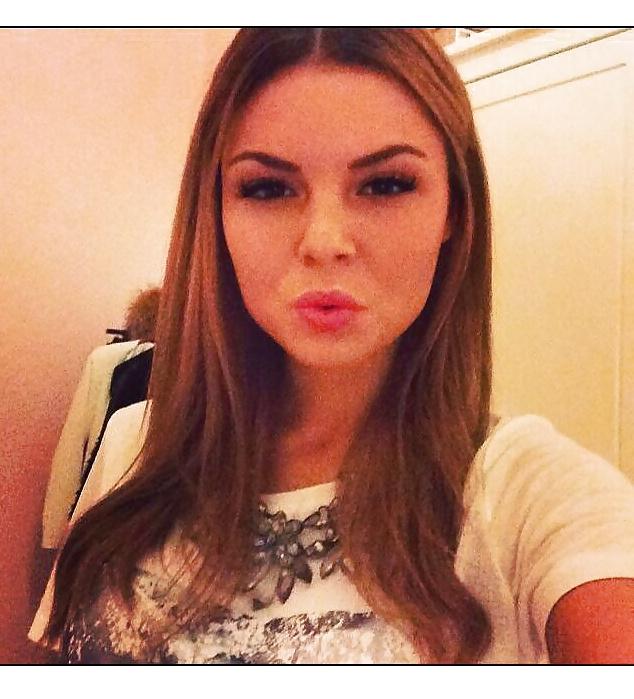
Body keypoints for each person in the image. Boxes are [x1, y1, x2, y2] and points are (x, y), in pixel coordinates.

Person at [29, 28, 634, 664]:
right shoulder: (134, 442)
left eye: (386, 184)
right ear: (216, 212)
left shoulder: (528, 495)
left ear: (455, 210)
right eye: (268, 188)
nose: (324, 241)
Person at [41, 286, 159, 549]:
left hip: (108, 510)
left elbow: (72, 448)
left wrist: (55, 531)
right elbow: (74, 446)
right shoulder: (111, 362)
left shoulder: (114, 362)